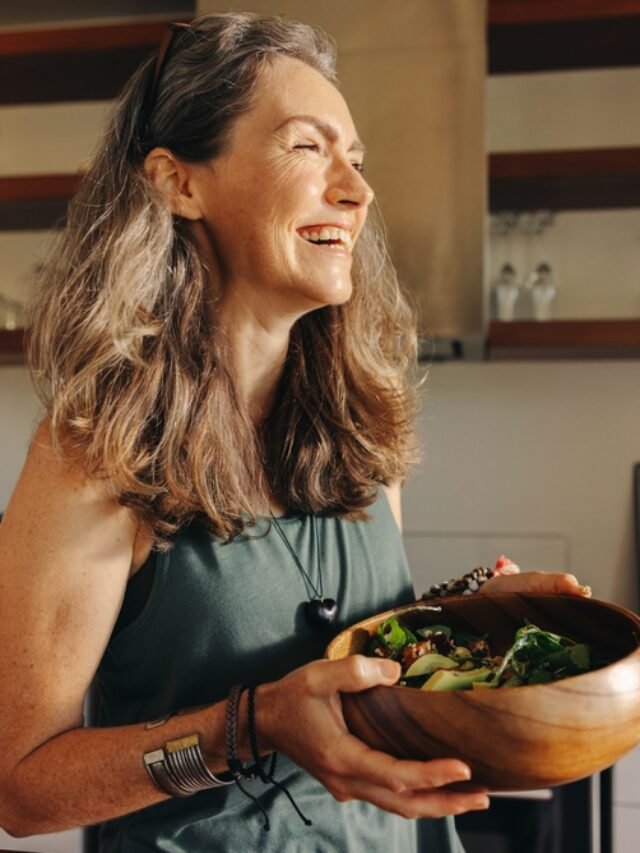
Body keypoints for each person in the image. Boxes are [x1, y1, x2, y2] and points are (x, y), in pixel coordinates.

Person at [0, 12, 589, 853]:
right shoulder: (95, 454)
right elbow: (22, 786)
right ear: (179, 183)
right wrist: (251, 725)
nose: (356, 190)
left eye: (357, 159)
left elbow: (356, 654)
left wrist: (460, 620)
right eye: (309, 148)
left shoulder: (361, 428)